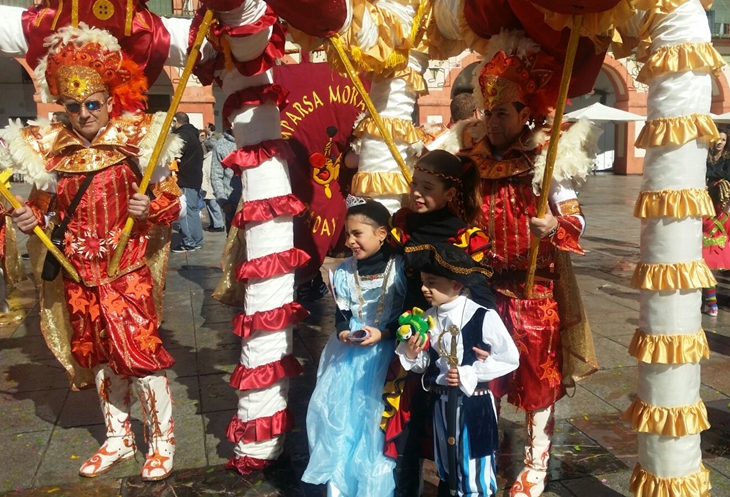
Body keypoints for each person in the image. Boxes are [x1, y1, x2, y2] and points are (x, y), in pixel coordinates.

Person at [1, 25, 183, 481]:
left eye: (92, 103)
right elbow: (43, 212)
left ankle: (162, 442)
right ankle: (118, 438)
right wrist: (29, 220)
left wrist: (150, 206)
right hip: (76, 273)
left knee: (141, 358)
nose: (83, 114)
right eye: (73, 105)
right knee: (99, 359)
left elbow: (171, 199)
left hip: (126, 271)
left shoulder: (137, 141)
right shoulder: (51, 151)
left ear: (108, 99)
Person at [451, 31, 599, 497]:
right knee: (481, 371)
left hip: (535, 289)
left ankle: (536, 461)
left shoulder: (546, 156)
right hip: (483, 288)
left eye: (502, 113)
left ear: (521, 114)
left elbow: (575, 218)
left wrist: (552, 229)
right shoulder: (469, 160)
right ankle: (485, 449)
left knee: (538, 377)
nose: (493, 122)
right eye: (488, 112)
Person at [383, 149, 496, 497]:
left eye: (427, 187)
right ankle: (404, 487)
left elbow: (480, 296)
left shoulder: (465, 237)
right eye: (414, 184)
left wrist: (479, 346)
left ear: (449, 194)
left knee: (451, 427)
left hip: (449, 346)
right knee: (405, 422)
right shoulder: (400, 226)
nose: (417, 192)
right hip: (406, 340)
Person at [302, 198, 407, 497]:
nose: (350, 241)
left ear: (382, 234)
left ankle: (370, 489)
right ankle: (339, 487)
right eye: (348, 234)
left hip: (383, 355)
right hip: (347, 357)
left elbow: (407, 313)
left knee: (372, 424)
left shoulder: (398, 269)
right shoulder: (345, 272)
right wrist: (344, 332)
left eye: (357, 234)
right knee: (338, 418)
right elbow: (343, 312)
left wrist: (386, 333)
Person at [398, 243, 519, 496]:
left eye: (431, 283)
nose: (424, 288)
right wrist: (411, 352)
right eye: (423, 281)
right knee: (448, 465)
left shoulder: (482, 316)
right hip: (442, 404)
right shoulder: (428, 318)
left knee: (474, 468)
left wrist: (470, 372)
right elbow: (424, 365)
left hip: (474, 405)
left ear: (456, 285)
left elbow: (510, 358)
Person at [702, 128, 730, 316]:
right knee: (706, 259)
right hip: (705, 207)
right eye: (717, 139)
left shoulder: (727, 161)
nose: (719, 142)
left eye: (723, 140)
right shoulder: (703, 157)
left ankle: (714, 300)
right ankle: (711, 300)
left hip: (723, 207)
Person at [171, 112, 204, 252]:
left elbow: (174, 153)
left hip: (185, 178)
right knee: (193, 210)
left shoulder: (183, 135)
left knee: (185, 210)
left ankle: (189, 241)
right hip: (194, 178)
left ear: (176, 121)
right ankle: (197, 239)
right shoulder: (193, 134)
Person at [210, 128, 240, 232]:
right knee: (233, 244)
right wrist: (223, 202)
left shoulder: (253, 142)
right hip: (232, 205)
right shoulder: (221, 145)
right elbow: (216, 175)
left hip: (254, 205)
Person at [200, 133, 225, 232]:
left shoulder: (209, 159)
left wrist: (205, 187)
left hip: (210, 186)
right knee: (211, 206)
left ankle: (219, 224)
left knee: (213, 206)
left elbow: (206, 173)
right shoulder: (209, 158)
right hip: (209, 186)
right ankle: (214, 223)